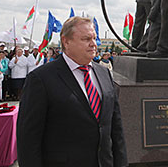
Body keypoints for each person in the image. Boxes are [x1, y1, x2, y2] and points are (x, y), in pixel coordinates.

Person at [17, 16, 128, 166]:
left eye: (94, 38)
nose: (93, 44)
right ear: (66, 41)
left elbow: (116, 129)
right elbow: (28, 140)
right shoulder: (40, 79)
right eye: (86, 39)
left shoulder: (104, 74)